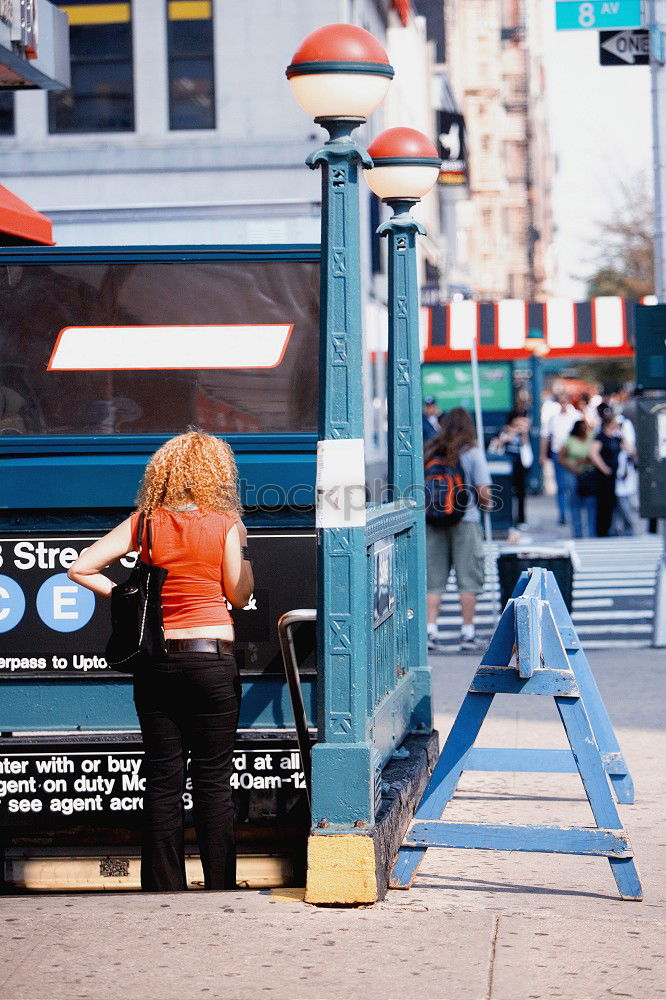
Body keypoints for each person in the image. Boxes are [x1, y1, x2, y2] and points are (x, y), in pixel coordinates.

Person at [68, 431, 253, 891]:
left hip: (158, 662)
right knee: (214, 781)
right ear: (217, 473)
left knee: (163, 779)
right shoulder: (226, 523)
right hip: (211, 661)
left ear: (164, 473)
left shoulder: (146, 522)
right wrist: (243, 554)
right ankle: (220, 887)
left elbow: (80, 567)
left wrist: (131, 601)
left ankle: (163, 890)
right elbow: (239, 592)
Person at [425, 407, 492, 654]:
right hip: (466, 520)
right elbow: (483, 491)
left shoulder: (431, 449)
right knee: (468, 578)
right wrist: (488, 504)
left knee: (434, 579)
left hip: (433, 522)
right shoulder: (471, 452)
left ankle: (431, 631)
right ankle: (467, 633)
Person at [557, 419, 603, 538]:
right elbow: (561, 457)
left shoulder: (592, 438)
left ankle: (592, 533)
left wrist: (587, 461)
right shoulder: (570, 441)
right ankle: (577, 533)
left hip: (589, 474)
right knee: (575, 504)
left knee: (591, 504)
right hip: (573, 474)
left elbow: (595, 454)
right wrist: (573, 468)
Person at [539, 388, 578, 526]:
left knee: (572, 485)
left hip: (572, 455)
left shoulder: (576, 416)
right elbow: (545, 437)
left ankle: (572, 511)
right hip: (558, 454)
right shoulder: (553, 418)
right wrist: (542, 455)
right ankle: (563, 514)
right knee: (561, 485)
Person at [490, 411, 532, 528]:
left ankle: (521, 520)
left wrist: (523, 433)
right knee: (505, 493)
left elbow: (527, 451)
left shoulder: (522, 433)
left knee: (521, 494)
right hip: (506, 466)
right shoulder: (503, 431)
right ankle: (507, 519)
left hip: (519, 466)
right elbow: (494, 448)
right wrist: (507, 436)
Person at [591, 412, 622, 537]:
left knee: (611, 504)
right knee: (603, 504)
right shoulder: (600, 437)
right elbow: (593, 453)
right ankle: (601, 530)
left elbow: (629, 449)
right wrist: (604, 468)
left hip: (614, 477)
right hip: (603, 477)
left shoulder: (616, 437)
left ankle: (610, 528)